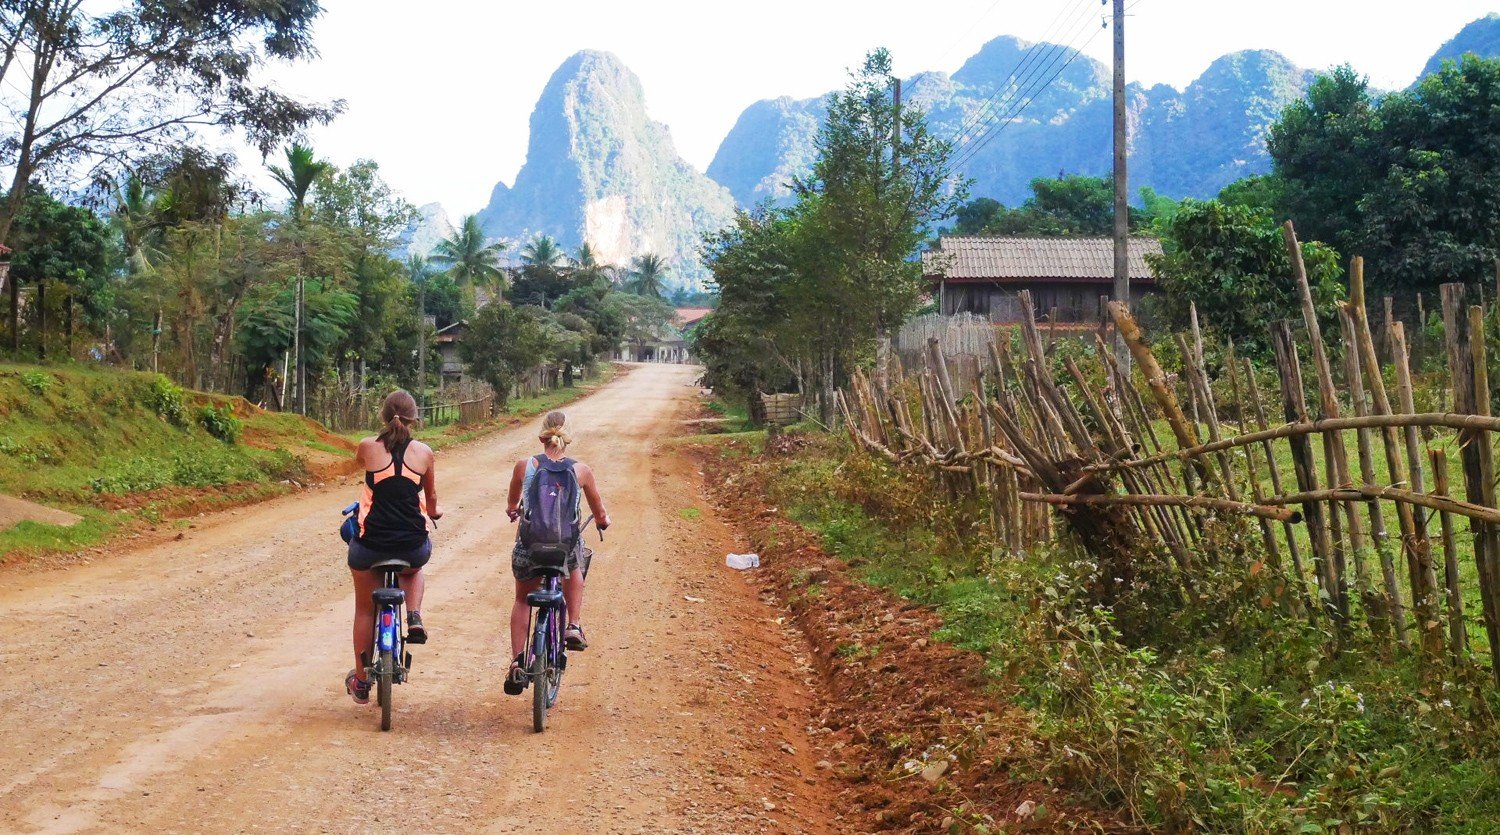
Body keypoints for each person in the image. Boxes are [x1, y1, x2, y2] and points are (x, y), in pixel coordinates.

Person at [344, 390, 441, 704]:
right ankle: (414, 615)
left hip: (370, 545)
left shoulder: (367, 447)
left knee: (364, 609)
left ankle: (361, 681)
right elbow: (431, 499)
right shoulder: (424, 453)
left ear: (383, 416)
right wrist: (434, 512)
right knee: (414, 570)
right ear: (415, 418)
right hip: (411, 545)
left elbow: (362, 465)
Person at [503, 410, 609, 694]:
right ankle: (573, 625)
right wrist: (602, 521)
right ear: (568, 437)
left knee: (522, 599)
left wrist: (513, 510)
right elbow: (599, 512)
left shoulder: (524, 466)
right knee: (574, 566)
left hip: (529, 547)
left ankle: (516, 662)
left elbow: (512, 503)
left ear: (542, 435)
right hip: (564, 548)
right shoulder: (581, 471)